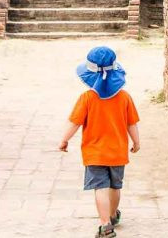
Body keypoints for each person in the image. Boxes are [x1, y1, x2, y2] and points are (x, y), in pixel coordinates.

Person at [58, 46, 141, 237]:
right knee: (115, 186)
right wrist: (136, 142)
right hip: (118, 152)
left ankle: (105, 225)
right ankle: (112, 215)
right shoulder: (124, 97)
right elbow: (132, 124)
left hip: (94, 153)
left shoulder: (87, 98)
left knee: (100, 188)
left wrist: (64, 140)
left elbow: (74, 123)